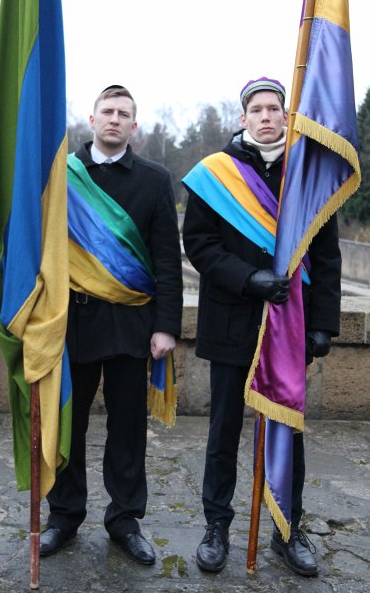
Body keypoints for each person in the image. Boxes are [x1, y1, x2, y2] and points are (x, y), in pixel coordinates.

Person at [182, 76, 341, 577]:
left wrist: (324, 325)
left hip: (290, 326)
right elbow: (201, 246)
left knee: (287, 432)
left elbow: (327, 255)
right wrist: (250, 278)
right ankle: (217, 526)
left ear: (286, 117)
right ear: (243, 117)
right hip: (233, 319)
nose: (268, 116)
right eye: (258, 109)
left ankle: (287, 530)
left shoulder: (307, 178)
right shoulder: (215, 174)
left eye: (276, 108)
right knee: (223, 430)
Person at [40, 85, 183, 565]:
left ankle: (125, 519)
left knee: (128, 429)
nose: (115, 120)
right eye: (108, 112)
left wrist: (167, 326)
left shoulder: (154, 178)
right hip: (73, 322)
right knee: (69, 425)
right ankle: (63, 515)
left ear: (134, 126)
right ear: (91, 118)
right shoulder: (61, 175)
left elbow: (167, 258)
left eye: (124, 114)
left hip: (130, 324)